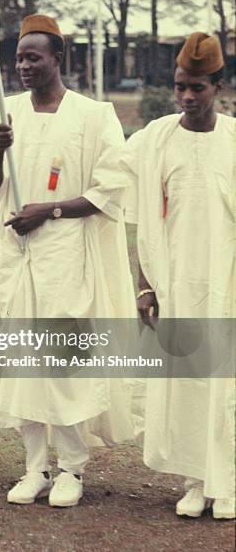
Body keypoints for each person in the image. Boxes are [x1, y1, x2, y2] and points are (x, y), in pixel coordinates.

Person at [0, 14, 141, 508]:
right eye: (19, 58)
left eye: (34, 57)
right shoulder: (3, 113)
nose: (24, 66)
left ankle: (71, 469)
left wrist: (48, 210)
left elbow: (108, 190)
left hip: (67, 258)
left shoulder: (94, 115)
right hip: (14, 259)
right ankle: (34, 468)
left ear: (58, 58)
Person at [121, 32, 235, 519]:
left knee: (226, 386)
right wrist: (145, 285)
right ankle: (194, 480)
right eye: (180, 87)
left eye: (198, 88)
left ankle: (225, 483)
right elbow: (138, 213)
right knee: (188, 382)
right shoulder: (155, 139)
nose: (187, 97)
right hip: (175, 286)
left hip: (227, 284)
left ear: (219, 86)